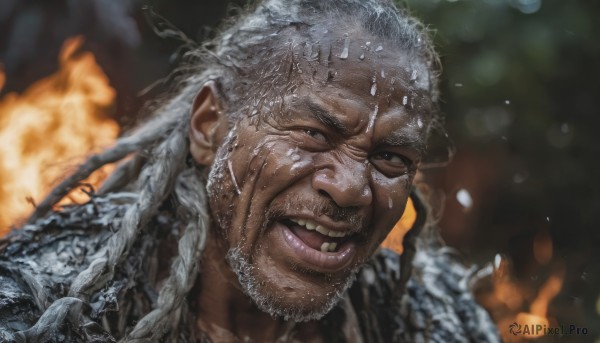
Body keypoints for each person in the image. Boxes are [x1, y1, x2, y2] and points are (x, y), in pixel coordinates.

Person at [0, 0, 500, 342]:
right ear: (208, 125)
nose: (349, 189)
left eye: (390, 159)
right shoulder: (46, 304)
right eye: (314, 134)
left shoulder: (429, 319)